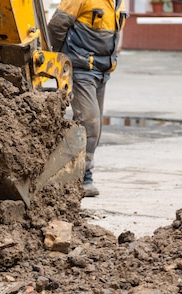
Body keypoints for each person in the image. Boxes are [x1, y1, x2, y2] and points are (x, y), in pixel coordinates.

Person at [48, 0, 128, 197]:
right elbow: (56, 26)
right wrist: (61, 59)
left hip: (102, 71)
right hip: (82, 69)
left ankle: (76, 173)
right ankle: (82, 178)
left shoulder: (119, 3)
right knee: (89, 122)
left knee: (95, 123)